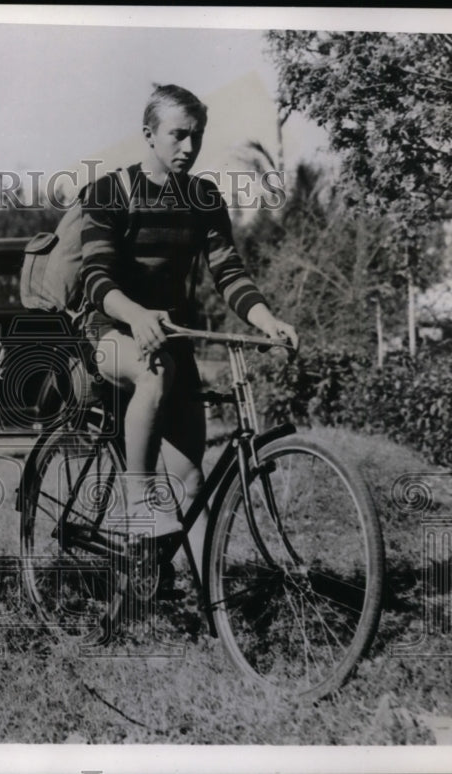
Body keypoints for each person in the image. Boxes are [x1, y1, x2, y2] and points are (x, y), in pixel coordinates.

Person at [79, 83, 298, 582]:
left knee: (190, 480)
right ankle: (137, 501)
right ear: (149, 135)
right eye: (178, 135)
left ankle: (208, 602)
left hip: (172, 336)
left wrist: (267, 320)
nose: (189, 148)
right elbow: (95, 278)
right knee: (154, 373)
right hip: (109, 331)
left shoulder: (203, 199)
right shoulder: (110, 192)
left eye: (196, 137)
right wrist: (135, 315)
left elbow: (229, 272)